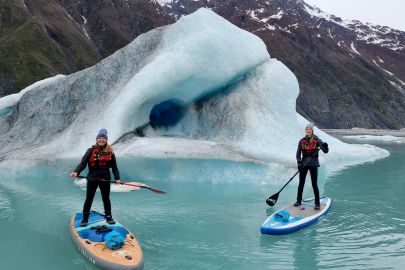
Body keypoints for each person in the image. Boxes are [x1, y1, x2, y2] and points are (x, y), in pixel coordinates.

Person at [70, 128, 121, 226]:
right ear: (97, 139)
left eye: (103, 138)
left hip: (105, 178)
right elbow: (83, 163)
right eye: (99, 138)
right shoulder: (91, 150)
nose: (101, 139)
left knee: (106, 198)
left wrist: (117, 178)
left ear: (106, 140)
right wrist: (76, 172)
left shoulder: (110, 152)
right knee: (89, 199)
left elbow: (114, 167)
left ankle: (109, 217)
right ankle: (85, 219)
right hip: (92, 178)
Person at [294, 123, 329, 210]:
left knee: (314, 184)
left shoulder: (317, 139)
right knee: (301, 183)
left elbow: (324, 150)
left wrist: (325, 147)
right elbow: (298, 153)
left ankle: (317, 203)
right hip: (304, 164)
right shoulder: (302, 141)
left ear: (312, 130)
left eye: (310, 129)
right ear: (305, 130)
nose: (308, 130)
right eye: (307, 129)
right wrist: (299, 163)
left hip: (313, 164)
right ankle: (298, 201)